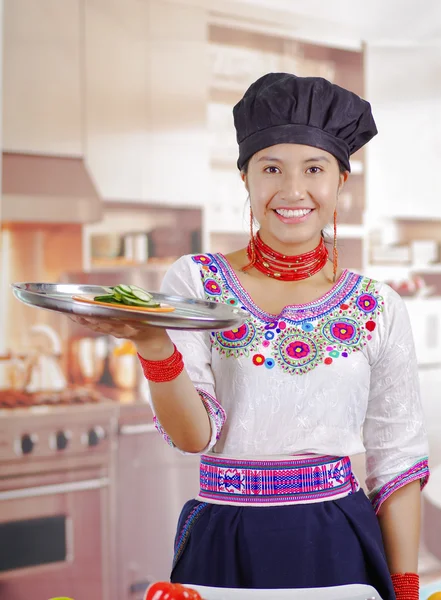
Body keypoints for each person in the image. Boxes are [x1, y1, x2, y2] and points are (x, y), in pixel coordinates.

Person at [75, 73, 429, 599]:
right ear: (246, 179)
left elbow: (396, 462)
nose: (292, 191)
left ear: (339, 183)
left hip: (339, 544)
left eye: (314, 168)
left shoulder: (378, 305)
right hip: (226, 538)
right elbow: (195, 436)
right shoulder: (195, 283)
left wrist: (405, 590)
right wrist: (154, 346)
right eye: (271, 168)